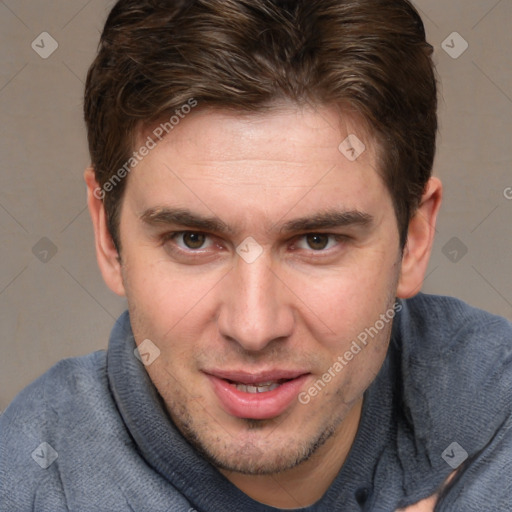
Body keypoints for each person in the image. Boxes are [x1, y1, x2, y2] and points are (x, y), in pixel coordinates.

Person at [1, 0, 511, 510]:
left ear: (415, 238)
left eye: (317, 241)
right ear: (108, 236)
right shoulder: (31, 482)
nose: (253, 327)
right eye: (193, 239)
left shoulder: (495, 414)